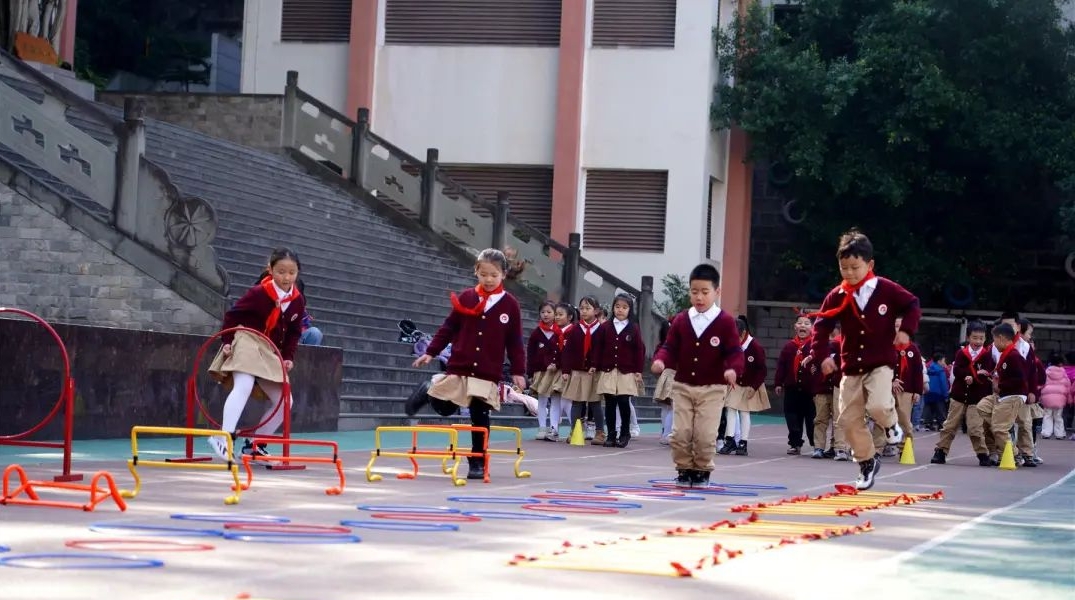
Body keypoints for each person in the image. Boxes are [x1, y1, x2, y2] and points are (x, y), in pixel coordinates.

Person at [807, 229, 920, 490]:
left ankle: (891, 425)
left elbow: (912, 304)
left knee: (879, 405)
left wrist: (906, 331)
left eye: (855, 267)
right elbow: (821, 327)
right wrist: (821, 356)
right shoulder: (837, 295)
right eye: (843, 268)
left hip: (880, 362)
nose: (849, 273)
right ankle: (867, 461)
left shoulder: (886, 289)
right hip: (851, 367)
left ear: (870, 265)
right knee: (847, 419)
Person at [411, 248, 527, 480]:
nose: (488, 280)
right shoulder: (466, 297)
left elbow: (514, 340)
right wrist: (431, 352)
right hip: (461, 364)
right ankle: (428, 390)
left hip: (486, 370)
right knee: (446, 408)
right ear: (476, 272)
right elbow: (449, 327)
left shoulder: (510, 305)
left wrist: (518, 370)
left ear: (504, 274)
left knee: (480, 414)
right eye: (483, 274)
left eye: (494, 275)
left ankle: (477, 461)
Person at [207, 248, 305, 462]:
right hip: (248, 339)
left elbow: (294, 331)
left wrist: (288, 356)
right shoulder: (259, 293)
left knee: (285, 401)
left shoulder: (297, 300)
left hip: (269, 349)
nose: (286, 277)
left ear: (297, 272)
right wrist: (227, 341)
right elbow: (232, 315)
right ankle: (223, 437)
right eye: (281, 272)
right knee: (244, 384)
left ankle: (255, 445)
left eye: (291, 272)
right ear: (270, 270)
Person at [652, 263, 744, 487]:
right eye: (694, 292)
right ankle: (684, 468)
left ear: (716, 292)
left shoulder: (725, 321)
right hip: (683, 386)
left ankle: (702, 470)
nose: (699, 297)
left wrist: (733, 369)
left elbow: (734, 351)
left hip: (713, 388)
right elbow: (669, 346)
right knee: (680, 433)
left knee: (705, 435)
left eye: (705, 292)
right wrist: (661, 360)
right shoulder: (682, 320)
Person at [594, 293, 646, 448]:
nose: (620, 310)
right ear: (613, 308)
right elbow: (597, 348)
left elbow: (639, 350)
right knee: (610, 402)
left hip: (626, 371)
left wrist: (638, 370)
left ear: (630, 310)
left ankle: (624, 433)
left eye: (624, 307)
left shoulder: (633, 328)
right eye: (617, 307)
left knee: (624, 401)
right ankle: (611, 434)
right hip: (608, 370)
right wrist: (595, 365)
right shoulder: (605, 327)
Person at [718, 315, 769, 457]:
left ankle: (743, 442)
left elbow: (762, 370)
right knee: (730, 410)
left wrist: (754, 386)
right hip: (735, 384)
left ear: (744, 333)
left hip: (749, 385)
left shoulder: (755, 347)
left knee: (744, 412)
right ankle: (729, 440)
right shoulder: (732, 346)